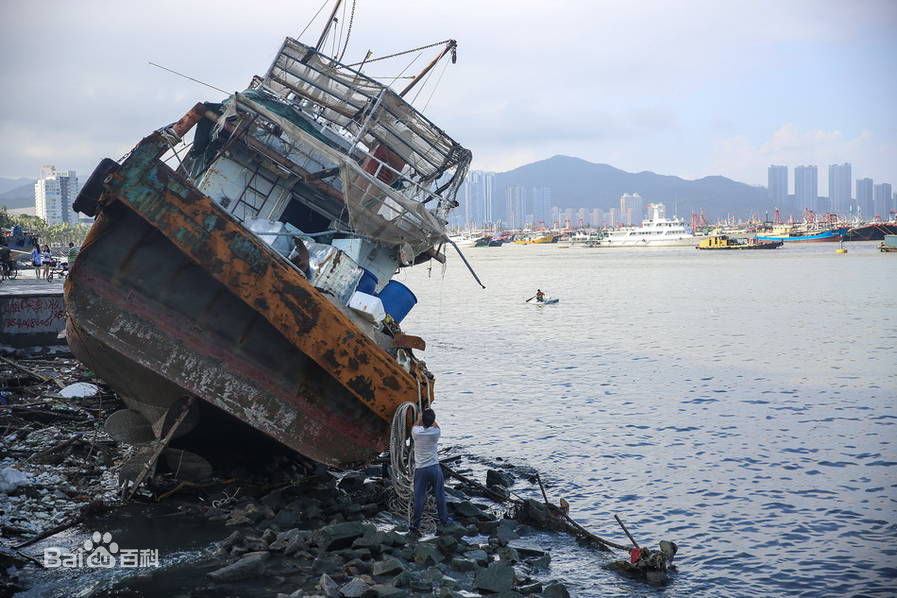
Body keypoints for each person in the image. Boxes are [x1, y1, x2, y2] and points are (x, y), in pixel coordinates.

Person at [410, 408, 451, 534]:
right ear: (433, 420)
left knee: (419, 497)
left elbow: (416, 424)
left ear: (423, 420)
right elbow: (434, 424)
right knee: (439, 494)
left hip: (421, 469)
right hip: (434, 467)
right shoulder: (435, 433)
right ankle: (444, 520)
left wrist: (418, 418)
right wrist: (429, 417)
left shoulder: (416, 432)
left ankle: (415, 525)